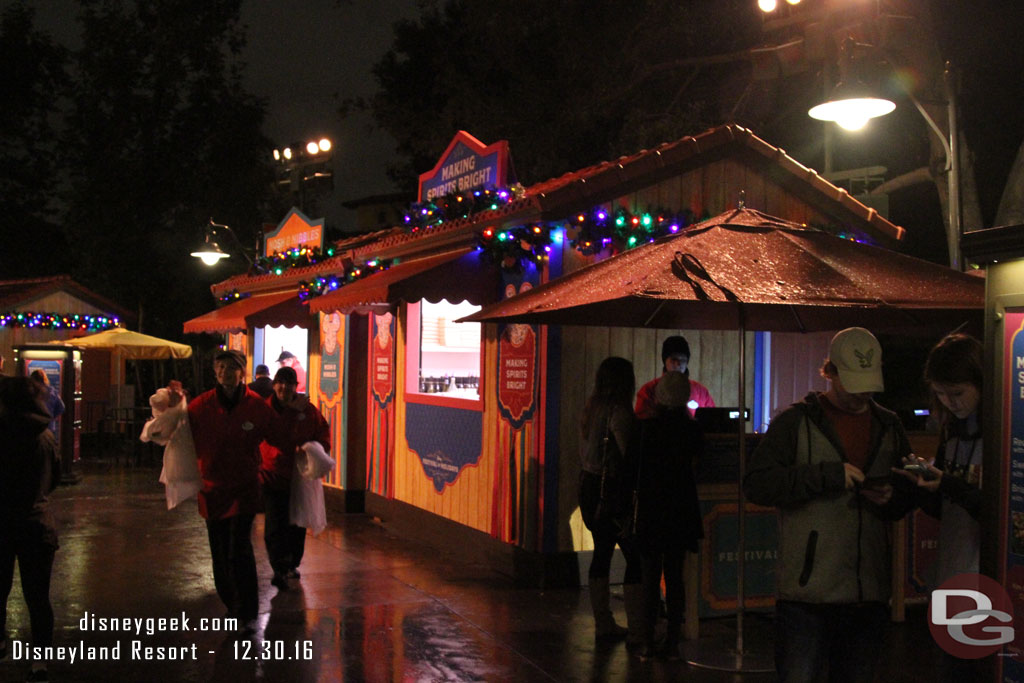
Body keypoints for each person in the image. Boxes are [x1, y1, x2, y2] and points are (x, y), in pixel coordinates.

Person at [743, 327, 916, 683]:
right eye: (853, 382)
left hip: (867, 593)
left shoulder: (889, 424)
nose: (862, 394)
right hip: (807, 594)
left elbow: (905, 492)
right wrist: (826, 476)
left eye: (868, 383)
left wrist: (893, 497)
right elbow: (758, 485)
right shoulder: (795, 422)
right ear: (830, 372)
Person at [167, 350, 276, 634]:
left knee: (239, 546)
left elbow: (277, 433)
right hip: (212, 489)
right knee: (219, 549)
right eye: (220, 367)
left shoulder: (257, 407)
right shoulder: (201, 406)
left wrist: (298, 409)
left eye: (231, 367)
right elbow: (174, 430)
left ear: (242, 372)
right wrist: (171, 404)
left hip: (244, 488)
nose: (225, 372)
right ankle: (231, 602)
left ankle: (248, 608)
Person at [895, 333, 983, 682]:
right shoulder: (954, 433)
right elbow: (946, 508)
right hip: (952, 576)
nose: (950, 403)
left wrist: (947, 484)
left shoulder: (1005, 432)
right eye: (942, 395)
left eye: (957, 393)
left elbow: (1001, 510)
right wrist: (919, 486)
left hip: (987, 580)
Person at [635, 371, 704, 660]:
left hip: (652, 509)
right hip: (682, 509)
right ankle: (673, 641)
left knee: (650, 578)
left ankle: (647, 640)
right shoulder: (692, 431)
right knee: (676, 577)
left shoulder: (647, 430)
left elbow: (633, 471)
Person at [579, 357, 644, 644]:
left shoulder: (592, 407)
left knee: (602, 552)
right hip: (611, 492)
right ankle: (638, 626)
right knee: (634, 555)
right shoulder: (619, 412)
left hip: (589, 487)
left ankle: (603, 621)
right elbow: (628, 453)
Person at [0, 376, 60, 682]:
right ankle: (40, 661)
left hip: (3, 524)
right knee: (38, 597)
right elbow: (54, 479)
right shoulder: (46, 436)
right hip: (38, 524)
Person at [260, 366, 330, 590]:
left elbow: (322, 433)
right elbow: (274, 436)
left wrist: (317, 450)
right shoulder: (266, 409)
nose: (284, 387)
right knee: (275, 523)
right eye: (280, 382)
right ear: (274, 385)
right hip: (272, 475)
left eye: (289, 383)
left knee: (297, 523)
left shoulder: (308, 410)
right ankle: (278, 567)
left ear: (295, 386)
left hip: (300, 477)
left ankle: (292, 564)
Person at [634, 336, 715, 419]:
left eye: (683, 360)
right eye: (673, 359)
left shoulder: (701, 392)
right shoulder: (648, 390)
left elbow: (712, 419)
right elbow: (642, 421)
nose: (678, 364)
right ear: (665, 361)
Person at [28, 371, 64, 439]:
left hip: (34, 425)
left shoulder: (31, 391)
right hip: (49, 426)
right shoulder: (52, 391)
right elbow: (61, 407)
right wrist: (52, 416)